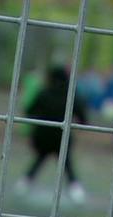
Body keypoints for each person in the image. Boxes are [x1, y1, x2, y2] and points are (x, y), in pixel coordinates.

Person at [16, 66, 87, 204]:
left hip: (43, 136)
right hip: (62, 137)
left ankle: (23, 184)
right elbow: (82, 117)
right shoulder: (71, 95)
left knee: (40, 158)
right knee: (66, 163)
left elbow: (30, 110)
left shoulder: (44, 93)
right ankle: (76, 190)